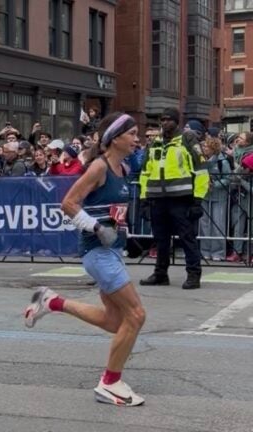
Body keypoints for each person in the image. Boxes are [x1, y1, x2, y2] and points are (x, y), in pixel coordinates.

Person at [24, 112, 146, 407]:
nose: (136, 139)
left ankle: (52, 302)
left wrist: (126, 238)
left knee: (116, 321)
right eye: (131, 134)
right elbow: (67, 203)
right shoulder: (98, 167)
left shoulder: (124, 167)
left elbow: (113, 211)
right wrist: (95, 227)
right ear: (115, 138)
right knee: (136, 316)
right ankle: (110, 383)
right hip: (98, 254)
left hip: (113, 252)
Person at [139, 108, 209, 290]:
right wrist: (144, 200)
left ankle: (194, 275)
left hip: (181, 199)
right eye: (161, 120)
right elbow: (145, 172)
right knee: (160, 239)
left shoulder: (187, 140)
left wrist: (197, 200)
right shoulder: (155, 143)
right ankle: (160, 274)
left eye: (168, 119)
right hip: (157, 199)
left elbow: (201, 170)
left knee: (187, 238)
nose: (164, 123)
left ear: (176, 122)